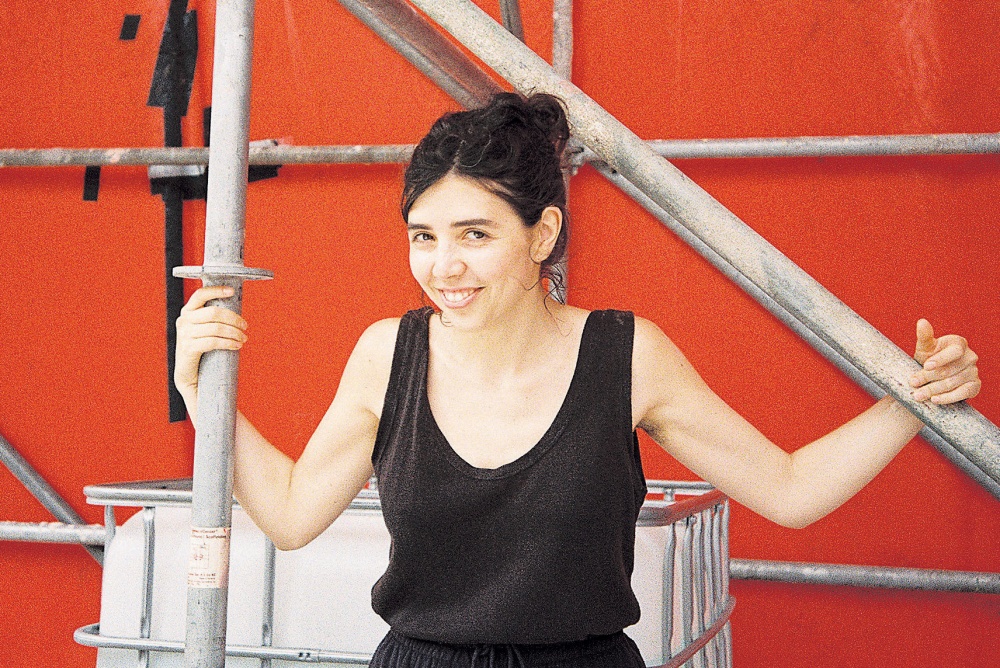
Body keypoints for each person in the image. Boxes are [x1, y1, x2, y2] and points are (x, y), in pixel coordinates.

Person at [174, 93, 982, 668]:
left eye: (474, 234)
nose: (443, 266)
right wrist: (200, 394)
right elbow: (289, 513)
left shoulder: (626, 355)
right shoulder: (388, 354)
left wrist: (917, 400)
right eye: (423, 236)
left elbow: (791, 489)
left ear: (543, 233)